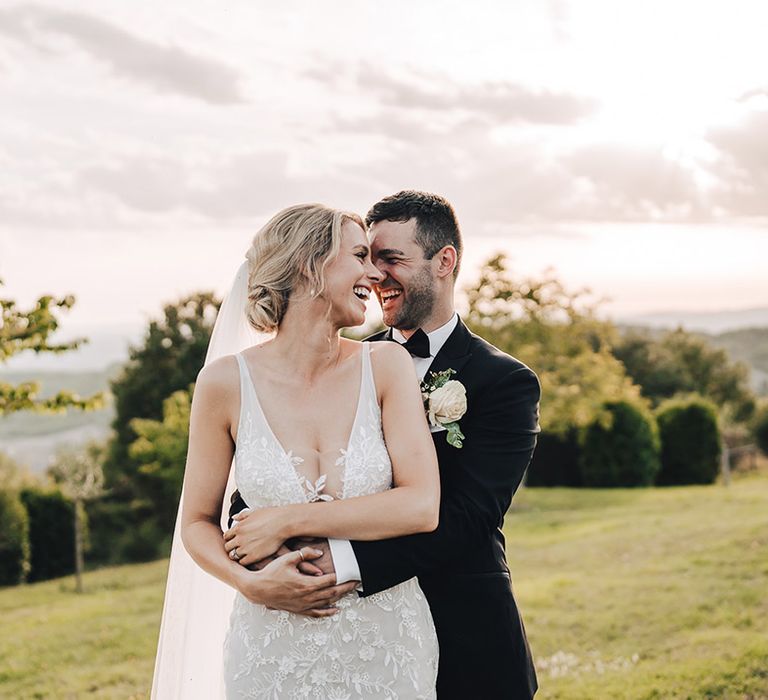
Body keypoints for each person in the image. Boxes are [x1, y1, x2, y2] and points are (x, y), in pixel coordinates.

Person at [229, 191, 541, 699]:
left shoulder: (504, 381)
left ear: (445, 262)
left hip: (464, 630)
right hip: (334, 630)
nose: (375, 276)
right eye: (367, 259)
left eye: (391, 259)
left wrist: (342, 564)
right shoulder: (348, 362)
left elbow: (467, 517)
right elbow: (274, 475)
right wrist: (260, 546)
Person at [152, 204, 440, 698]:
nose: (375, 273)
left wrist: (285, 520)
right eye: (358, 256)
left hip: (387, 641)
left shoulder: (386, 365)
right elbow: (197, 522)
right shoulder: (224, 383)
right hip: (271, 645)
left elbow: (421, 505)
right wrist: (247, 584)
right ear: (309, 264)